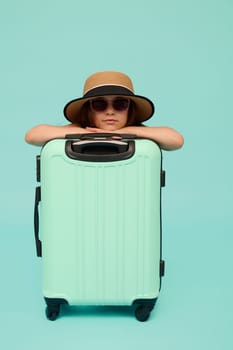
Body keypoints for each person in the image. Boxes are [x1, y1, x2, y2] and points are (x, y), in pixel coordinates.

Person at [24, 71, 184, 150]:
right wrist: (86, 134)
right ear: (89, 109)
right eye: (100, 105)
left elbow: (176, 140)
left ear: (130, 108)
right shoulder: (79, 129)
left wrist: (127, 132)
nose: (110, 111)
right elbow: (32, 136)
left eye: (120, 104)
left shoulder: (138, 131)